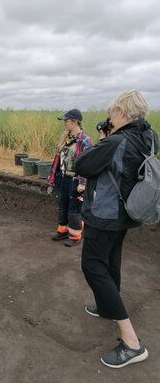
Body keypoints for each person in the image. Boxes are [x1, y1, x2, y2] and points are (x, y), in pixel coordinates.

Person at [75, 90, 159, 368]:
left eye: (112, 112)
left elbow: (82, 165)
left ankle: (132, 343)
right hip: (126, 212)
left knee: (92, 266)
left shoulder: (116, 141)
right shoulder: (149, 136)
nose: (109, 117)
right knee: (110, 261)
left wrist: (105, 138)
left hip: (106, 213)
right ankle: (105, 304)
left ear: (122, 113)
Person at [48, 109, 92, 247]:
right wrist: (53, 179)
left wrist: (83, 182)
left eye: (66, 121)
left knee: (74, 209)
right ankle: (63, 231)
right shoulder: (65, 139)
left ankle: (75, 236)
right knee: (62, 205)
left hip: (76, 180)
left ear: (75, 121)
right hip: (63, 178)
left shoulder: (85, 140)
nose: (64, 123)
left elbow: (88, 163)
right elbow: (57, 161)